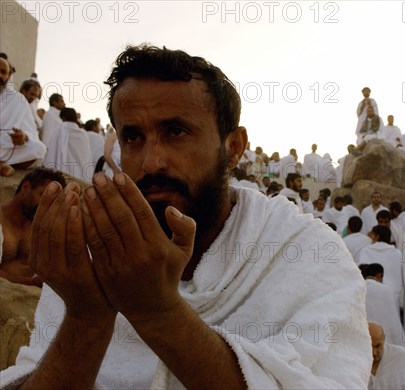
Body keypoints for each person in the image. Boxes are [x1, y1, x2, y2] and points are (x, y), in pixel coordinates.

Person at [1, 45, 371, 389]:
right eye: (133, 137)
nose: (151, 162)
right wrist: (86, 318)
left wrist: (157, 311)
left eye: (175, 132)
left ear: (234, 148)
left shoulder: (305, 253)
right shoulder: (95, 251)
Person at [0, 168, 67, 287]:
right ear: (26, 188)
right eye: (43, 195)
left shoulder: (42, 226)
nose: (47, 204)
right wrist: (30, 282)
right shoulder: (2, 220)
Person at [0, 57, 47, 176]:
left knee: (39, 148)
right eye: (31, 94)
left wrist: (24, 137)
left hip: (4, 146)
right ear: (23, 90)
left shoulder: (17, 100)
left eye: (4, 72)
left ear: (8, 76)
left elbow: (30, 132)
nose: (0, 75)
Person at [361, 264, 405, 349]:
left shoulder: (358, 288)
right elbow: (393, 317)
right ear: (379, 275)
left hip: (364, 334)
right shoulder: (386, 290)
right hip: (385, 337)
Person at [43, 108, 94, 182]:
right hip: (82, 176)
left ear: (62, 117)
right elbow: (86, 157)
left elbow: (52, 153)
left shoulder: (58, 131)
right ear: (76, 118)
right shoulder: (83, 134)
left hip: (62, 176)